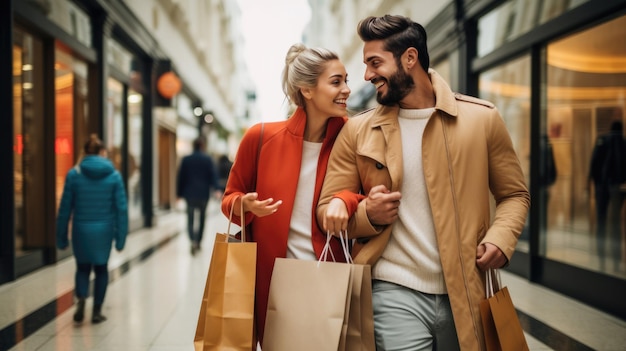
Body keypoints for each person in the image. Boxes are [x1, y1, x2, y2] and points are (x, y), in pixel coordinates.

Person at [317, 15, 530, 351]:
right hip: (390, 289)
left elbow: (514, 194)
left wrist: (501, 239)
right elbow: (326, 211)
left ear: (410, 58)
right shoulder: (357, 131)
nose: (367, 75)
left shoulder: (481, 118)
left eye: (375, 63)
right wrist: (368, 215)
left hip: (466, 289)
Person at [221, 43, 351, 347]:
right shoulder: (261, 137)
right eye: (336, 82)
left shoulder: (352, 138)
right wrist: (245, 204)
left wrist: (345, 201)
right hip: (273, 282)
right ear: (307, 90)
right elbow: (230, 199)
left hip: (331, 276)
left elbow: (362, 193)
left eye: (346, 80)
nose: (346, 89)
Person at [56, 134, 128, 324]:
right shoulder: (114, 175)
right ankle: (97, 310)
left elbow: (65, 209)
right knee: (102, 269)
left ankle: (81, 299)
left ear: (84, 152)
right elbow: (121, 209)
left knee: (82, 268)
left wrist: (61, 237)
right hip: (104, 230)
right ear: (102, 152)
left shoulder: (74, 174)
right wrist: (121, 238)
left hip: (81, 229)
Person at [589, 119, 625, 271]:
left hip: (603, 188)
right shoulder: (622, 142)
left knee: (602, 222)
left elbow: (593, 165)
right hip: (618, 188)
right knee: (615, 224)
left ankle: (601, 260)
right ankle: (616, 261)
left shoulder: (602, 140)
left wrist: (594, 185)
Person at [177, 137, 222, 255]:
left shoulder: (186, 159)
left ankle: (192, 240)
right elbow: (213, 175)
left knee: (190, 218)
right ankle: (199, 241)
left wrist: (178, 193)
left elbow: (181, 178)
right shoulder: (207, 159)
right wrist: (217, 189)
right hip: (203, 194)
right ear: (202, 146)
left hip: (189, 194)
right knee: (202, 218)